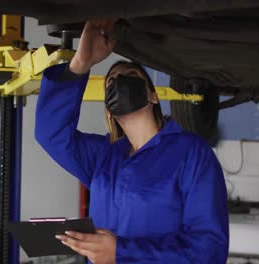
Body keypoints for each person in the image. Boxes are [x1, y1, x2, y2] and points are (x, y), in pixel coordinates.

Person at [34, 20, 229, 264]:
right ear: (108, 108)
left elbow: (209, 251)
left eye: (132, 76)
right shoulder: (103, 155)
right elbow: (51, 134)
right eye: (112, 83)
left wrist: (121, 252)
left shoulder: (190, 151)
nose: (121, 81)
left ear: (154, 96)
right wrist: (80, 65)